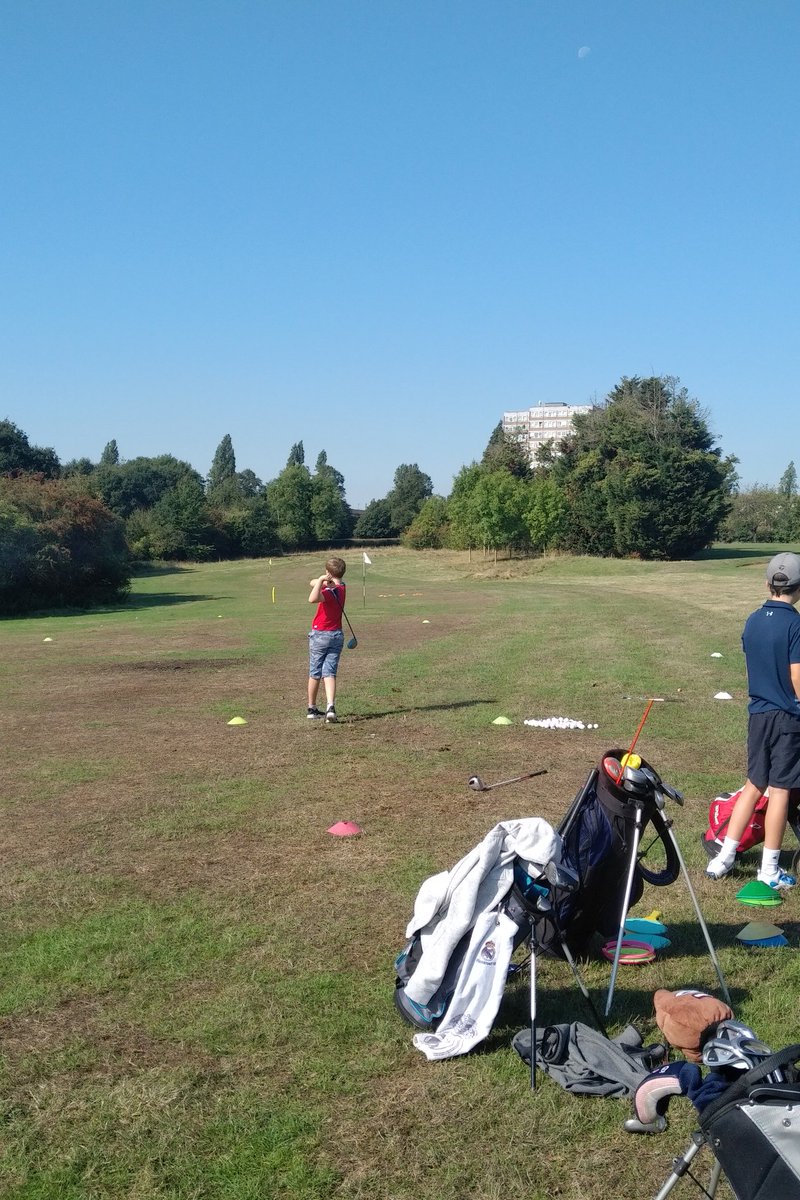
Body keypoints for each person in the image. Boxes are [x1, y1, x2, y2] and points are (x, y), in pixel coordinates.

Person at [706, 551, 800, 889]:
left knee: (752, 785)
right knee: (780, 792)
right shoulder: (795, 624)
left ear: (768, 583)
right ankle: (770, 870)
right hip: (787, 717)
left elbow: (752, 669)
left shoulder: (752, 619)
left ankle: (723, 857)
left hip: (757, 714)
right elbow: (797, 677)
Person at [306, 556, 347, 723]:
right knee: (329, 672)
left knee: (315, 673)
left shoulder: (329, 592)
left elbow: (312, 598)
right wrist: (322, 581)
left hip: (320, 635)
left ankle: (312, 708)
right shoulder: (342, 587)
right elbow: (311, 582)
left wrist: (322, 580)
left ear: (328, 573)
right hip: (336, 635)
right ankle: (331, 706)